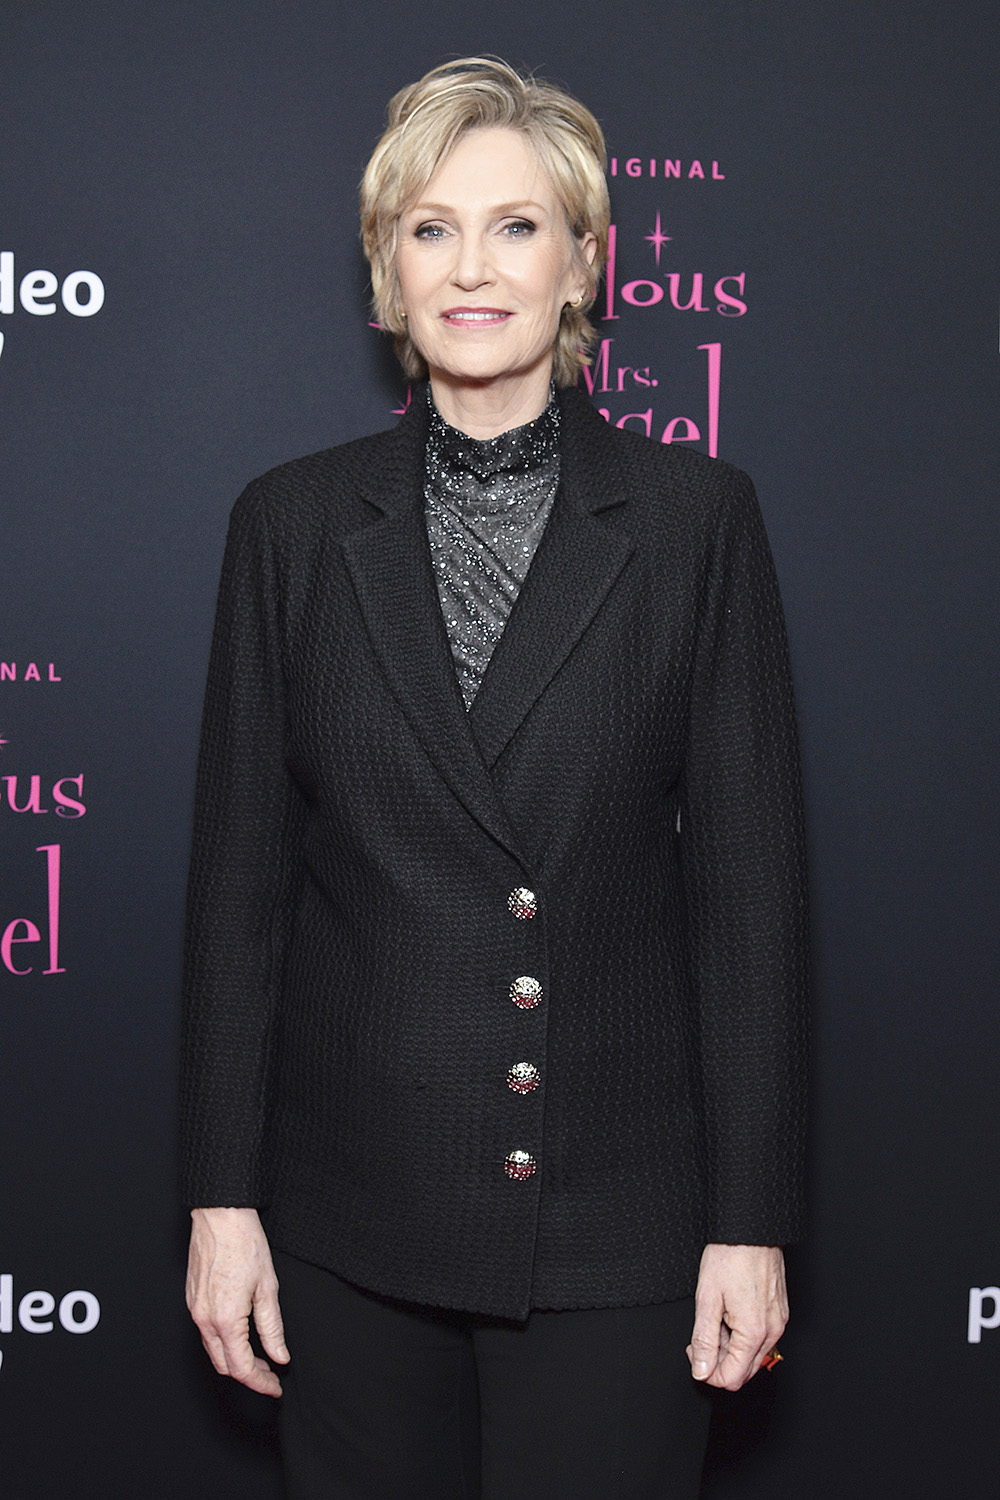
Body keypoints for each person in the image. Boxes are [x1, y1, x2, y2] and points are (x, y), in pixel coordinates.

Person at [181, 57, 808, 1500]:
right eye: (431, 228)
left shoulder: (697, 521)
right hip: (350, 1217)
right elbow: (238, 893)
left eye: (519, 227)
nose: (475, 267)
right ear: (386, 271)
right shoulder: (285, 527)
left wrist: (752, 1220)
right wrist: (221, 1202)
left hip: (617, 1215)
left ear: (586, 263)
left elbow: (748, 892)